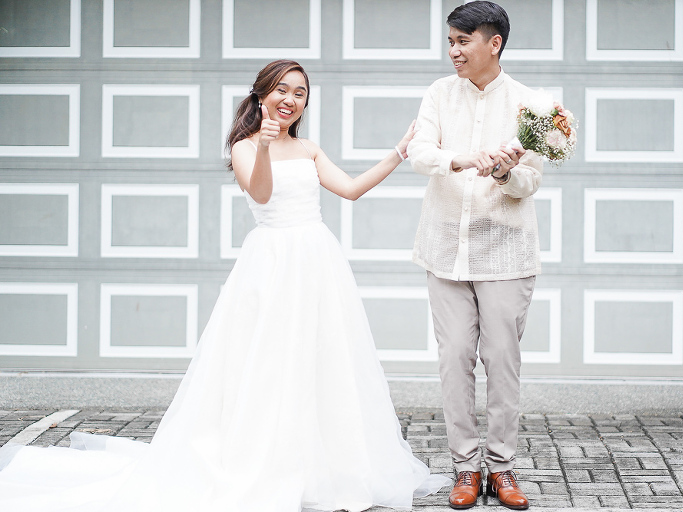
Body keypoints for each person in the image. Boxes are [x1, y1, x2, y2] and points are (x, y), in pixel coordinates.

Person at [0, 59, 450, 512]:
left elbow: (351, 189)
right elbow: (261, 193)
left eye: (299, 93)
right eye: (281, 90)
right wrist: (265, 147)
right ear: (261, 95)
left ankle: (320, 463)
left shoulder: (309, 149)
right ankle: (263, 460)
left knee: (321, 357)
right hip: (272, 263)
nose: (290, 99)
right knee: (268, 362)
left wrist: (398, 152)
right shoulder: (244, 146)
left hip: (317, 259)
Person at [407, 2, 544, 510]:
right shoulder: (439, 94)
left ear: (494, 43)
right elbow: (419, 152)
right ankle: (465, 467)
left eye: (463, 41)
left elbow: (531, 181)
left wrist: (506, 173)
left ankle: (502, 468)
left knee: (502, 361)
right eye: (451, 41)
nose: (454, 51)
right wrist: (460, 158)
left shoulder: (531, 105)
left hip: (505, 252)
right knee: (454, 360)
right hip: (445, 249)